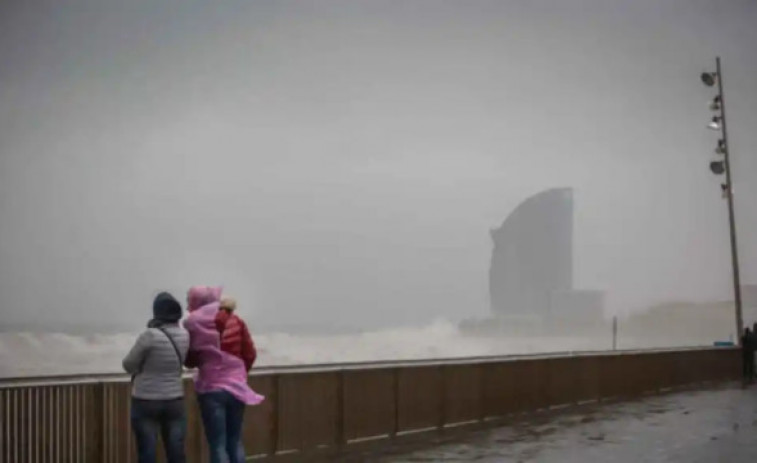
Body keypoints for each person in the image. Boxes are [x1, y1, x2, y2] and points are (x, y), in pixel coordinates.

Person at [183, 286, 264, 463]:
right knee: (235, 442)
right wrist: (239, 375)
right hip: (237, 387)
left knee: (217, 444)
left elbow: (189, 360)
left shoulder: (192, 324)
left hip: (211, 388)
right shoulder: (236, 321)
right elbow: (250, 354)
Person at [123, 292, 190, 463]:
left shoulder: (150, 335)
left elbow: (128, 365)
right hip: (175, 399)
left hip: (146, 399)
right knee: (176, 450)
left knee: (147, 450)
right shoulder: (185, 336)